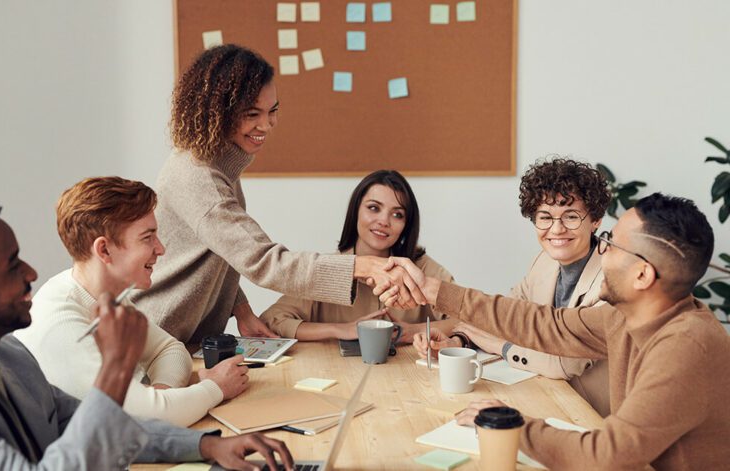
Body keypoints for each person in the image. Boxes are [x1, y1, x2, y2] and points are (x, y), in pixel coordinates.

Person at [382, 193, 730, 469]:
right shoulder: (625, 318)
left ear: (642, 275)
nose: (601, 249)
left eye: (610, 242)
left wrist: (513, 425)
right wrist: (436, 291)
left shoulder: (686, 346)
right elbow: (545, 324)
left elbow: (606, 456)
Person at [0, 196, 293, 470]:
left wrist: (207, 445)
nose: (31, 272)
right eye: (12, 264)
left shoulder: (10, 355)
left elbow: (100, 426)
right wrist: (117, 367)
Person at [132, 44, 424, 344]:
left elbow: (223, 251)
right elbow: (264, 261)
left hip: (184, 340)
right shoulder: (200, 177)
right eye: (252, 114)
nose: (266, 125)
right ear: (217, 113)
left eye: (272, 111)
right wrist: (361, 266)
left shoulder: (218, 165)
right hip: (156, 338)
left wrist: (241, 310)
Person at [15, 177, 248, 427]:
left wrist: (160, 396)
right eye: (147, 238)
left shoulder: (105, 295)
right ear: (104, 250)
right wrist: (214, 388)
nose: (160, 249)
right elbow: (145, 420)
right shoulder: (61, 324)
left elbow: (169, 350)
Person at [414, 158, 612, 415]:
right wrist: (459, 340)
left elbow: (564, 364)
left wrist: (502, 347)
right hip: (546, 397)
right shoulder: (544, 262)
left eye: (571, 216)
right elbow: (504, 316)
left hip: (592, 415)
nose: (557, 229)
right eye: (545, 217)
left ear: (595, 220)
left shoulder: (611, 278)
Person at [260, 170, 456, 342]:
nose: (384, 221)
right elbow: (272, 320)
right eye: (373, 208)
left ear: (407, 225)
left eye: (397, 215)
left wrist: (414, 330)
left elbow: (470, 320)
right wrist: (341, 329)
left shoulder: (422, 268)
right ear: (356, 212)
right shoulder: (329, 269)